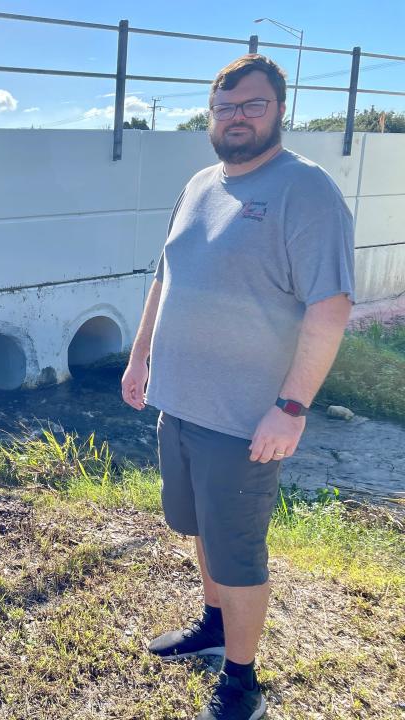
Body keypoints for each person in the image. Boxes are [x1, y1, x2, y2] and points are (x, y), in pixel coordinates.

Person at [120, 54, 355, 720]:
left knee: (238, 548)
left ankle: (242, 679)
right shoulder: (199, 184)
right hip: (180, 405)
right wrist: (140, 360)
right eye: (224, 108)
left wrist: (290, 408)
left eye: (251, 106)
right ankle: (213, 625)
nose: (235, 119)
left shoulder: (304, 191)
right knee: (198, 527)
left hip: (244, 419)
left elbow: (329, 306)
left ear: (280, 109)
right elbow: (164, 280)